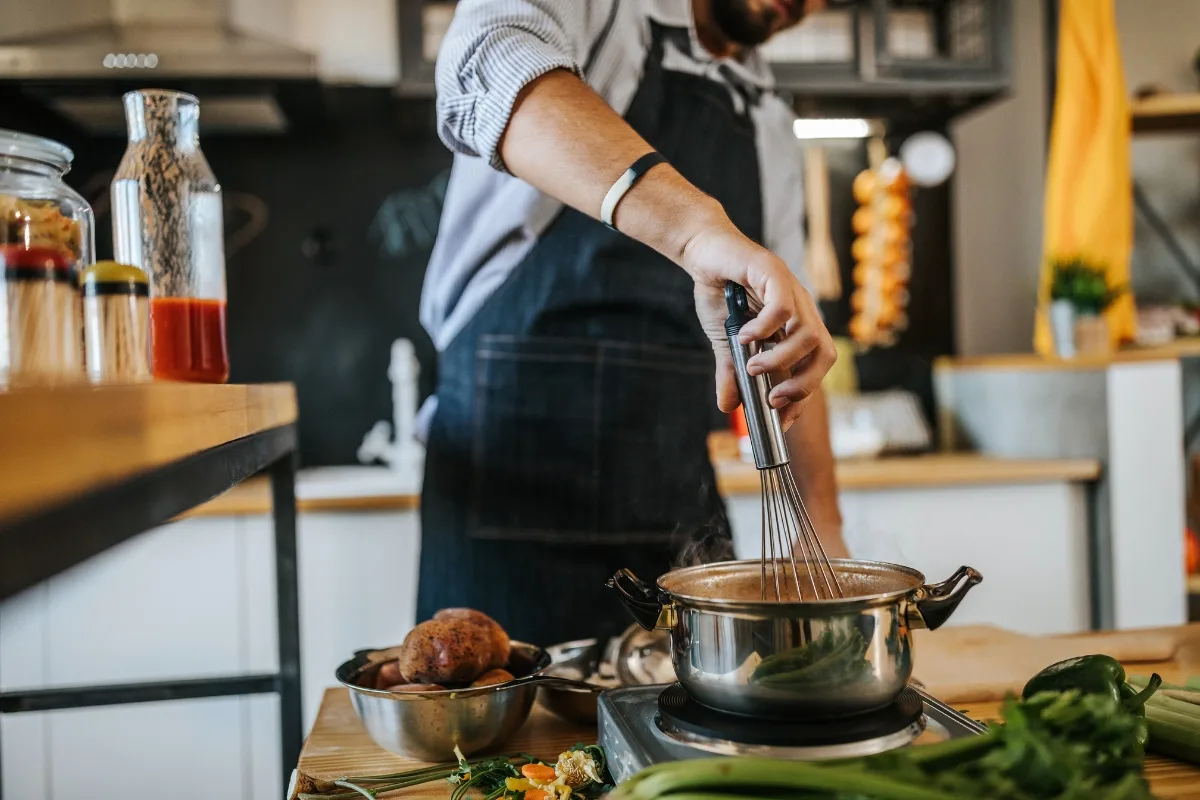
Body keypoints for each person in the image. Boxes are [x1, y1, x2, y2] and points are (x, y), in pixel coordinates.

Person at [417, 0, 845, 646]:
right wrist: (697, 230)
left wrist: (825, 529)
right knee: (496, 742)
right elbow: (492, 57)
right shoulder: (604, 12)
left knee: (704, 732)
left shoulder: (768, 122)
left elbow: (786, 336)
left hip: (674, 499)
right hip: (506, 490)